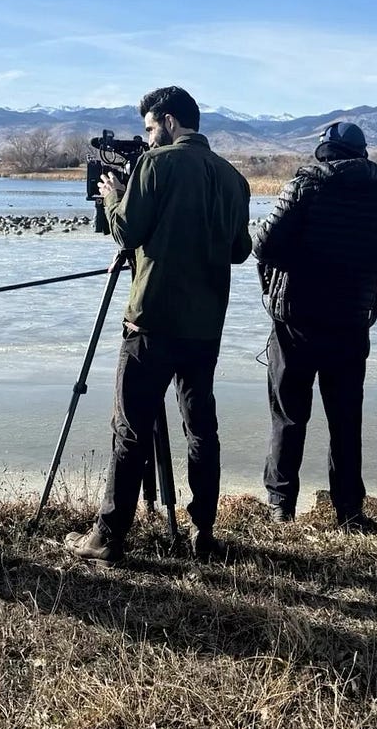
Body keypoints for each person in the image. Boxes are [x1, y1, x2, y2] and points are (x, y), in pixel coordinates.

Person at [66, 86, 252, 565]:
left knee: (130, 427)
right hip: (206, 325)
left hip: (151, 321)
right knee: (201, 428)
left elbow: (127, 230)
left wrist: (113, 197)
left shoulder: (156, 165)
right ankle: (203, 533)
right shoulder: (233, 179)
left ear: (168, 122)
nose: (147, 140)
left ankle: (108, 537)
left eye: (150, 129)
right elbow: (239, 250)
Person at [253, 122, 377, 530]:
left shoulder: (302, 188)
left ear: (324, 153)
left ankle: (281, 506)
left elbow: (262, 246)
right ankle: (349, 510)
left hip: (295, 321)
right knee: (345, 419)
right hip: (351, 325)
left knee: (288, 415)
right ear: (363, 154)